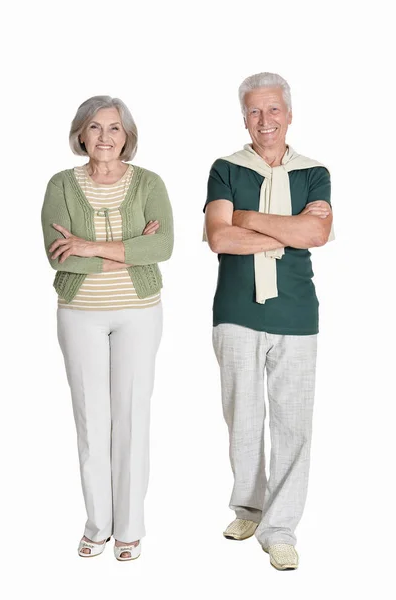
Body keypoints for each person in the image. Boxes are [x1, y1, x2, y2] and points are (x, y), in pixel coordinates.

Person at [203, 72, 333, 570]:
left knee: (293, 423)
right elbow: (219, 238)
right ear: (244, 118)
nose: (265, 120)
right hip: (235, 309)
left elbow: (317, 235)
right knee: (243, 418)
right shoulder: (225, 168)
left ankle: (281, 529)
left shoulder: (314, 171)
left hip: (297, 311)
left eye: (273, 109)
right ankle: (249, 508)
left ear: (289, 113)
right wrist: (289, 232)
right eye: (255, 111)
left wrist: (246, 217)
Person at [41, 96, 174, 561]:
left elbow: (162, 246)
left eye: (114, 128)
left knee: (133, 418)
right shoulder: (61, 184)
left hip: (139, 311)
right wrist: (126, 247)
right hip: (80, 313)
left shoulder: (149, 183)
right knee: (91, 422)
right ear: (81, 134)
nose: (104, 136)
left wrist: (90, 244)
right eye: (94, 127)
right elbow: (59, 254)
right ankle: (97, 526)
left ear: (127, 136)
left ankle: (130, 529)